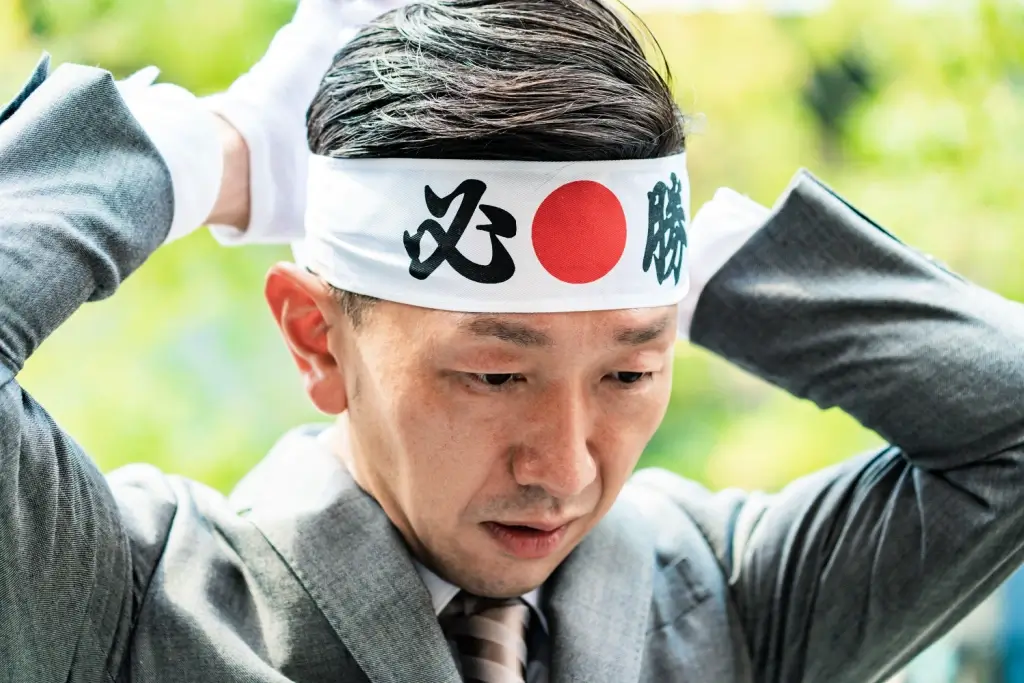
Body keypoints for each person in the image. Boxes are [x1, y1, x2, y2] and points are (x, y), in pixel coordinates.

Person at [2, 1, 1023, 682]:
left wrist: (710, 257)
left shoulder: (730, 592)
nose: (565, 466)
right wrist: (214, 152)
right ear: (316, 339)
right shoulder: (126, 600)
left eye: (629, 369)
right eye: (493, 372)